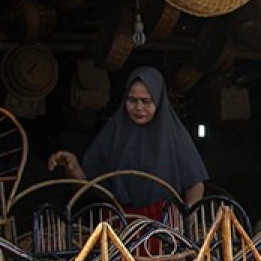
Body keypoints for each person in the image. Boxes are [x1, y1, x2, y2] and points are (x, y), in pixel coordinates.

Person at [48, 67, 208, 215]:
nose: (139, 107)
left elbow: (195, 184)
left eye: (146, 101)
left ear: (158, 101)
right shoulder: (113, 133)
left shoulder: (174, 135)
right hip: (118, 223)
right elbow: (87, 185)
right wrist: (73, 166)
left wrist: (185, 222)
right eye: (132, 100)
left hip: (164, 226)